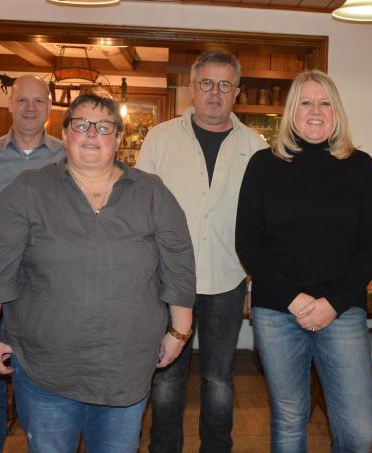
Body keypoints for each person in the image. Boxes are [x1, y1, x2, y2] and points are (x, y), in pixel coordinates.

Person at [0, 93, 195, 453]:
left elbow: (179, 264)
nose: (92, 133)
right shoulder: (29, 190)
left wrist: (179, 332)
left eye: (104, 127)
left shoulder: (152, 192)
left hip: (126, 369)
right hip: (46, 369)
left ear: (119, 139)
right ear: (64, 133)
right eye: (81, 125)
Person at [235, 69, 372, 452]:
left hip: (342, 311)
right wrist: (295, 300)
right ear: (291, 111)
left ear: (336, 112)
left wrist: (332, 304)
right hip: (279, 311)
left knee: (358, 432)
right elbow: (248, 242)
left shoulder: (361, 166)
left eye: (324, 103)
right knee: (289, 420)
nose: (315, 111)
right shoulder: (262, 165)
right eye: (305, 102)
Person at [136, 50, 266, 453]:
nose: (215, 92)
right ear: (191, 89)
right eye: (206, 83)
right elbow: (140, 210)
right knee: (167, 377)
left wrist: (252, 283)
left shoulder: (256, 146)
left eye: (225, 84)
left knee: (219, 378)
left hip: (227, 279)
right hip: (167, 280)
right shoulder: (160, 137)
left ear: (237, 93)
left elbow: (262, 223)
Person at [0, 74, 65, 453]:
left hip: (46, 287)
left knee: (46, 387)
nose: (30, 108)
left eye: (38, 101)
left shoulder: (66, 155)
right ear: (10, 104)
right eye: (22, 100)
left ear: (48, 107)